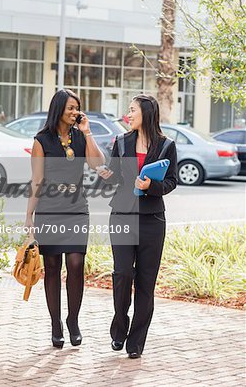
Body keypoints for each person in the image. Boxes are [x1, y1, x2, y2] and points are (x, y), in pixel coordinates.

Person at [97, 94, 177, 359]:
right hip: (122, 215)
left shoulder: (166, 146)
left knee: (146, 282)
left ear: (146, 113)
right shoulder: (121, 142)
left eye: (132, 110)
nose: (128, 114)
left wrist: (151, 186)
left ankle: (136, 342)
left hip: (152, 220)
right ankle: (119, 329)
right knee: (122, 274)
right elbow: (114, 178)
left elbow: (171, 182)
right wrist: (104, 173)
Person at [25, 89, 105, 348]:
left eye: (77, 108)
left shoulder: (80, 137)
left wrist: (88, 132)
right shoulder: (42, 140)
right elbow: (36, 180)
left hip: (76, 209)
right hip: (49, 209)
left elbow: (98, 165)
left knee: (75, 264)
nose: (75, 112)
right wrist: (29, 217)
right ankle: (55, 323)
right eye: (70, 108)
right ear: (58, 109)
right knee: (51, 269)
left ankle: (73, 320)